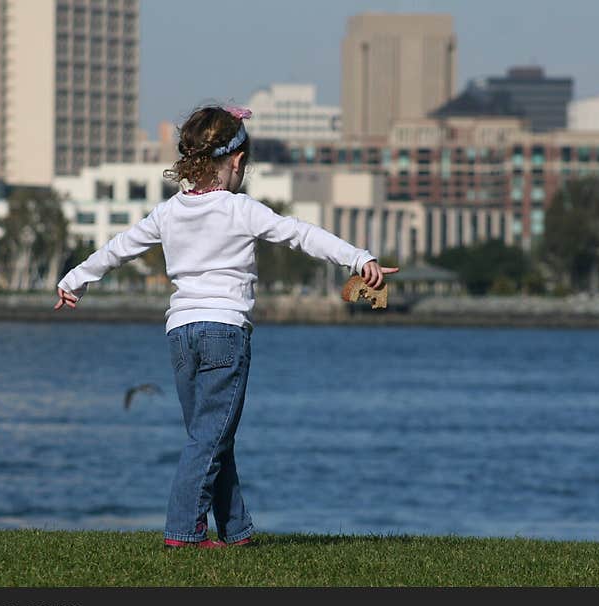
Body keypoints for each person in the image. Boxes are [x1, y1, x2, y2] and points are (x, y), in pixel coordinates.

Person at [54, 105, 398, 548]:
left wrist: (73, 281)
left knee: (213, 436)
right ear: (236, 163)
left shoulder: (168, 212)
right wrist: (359, 257)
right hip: (224, 332)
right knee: (209, 438)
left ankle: (236, 532)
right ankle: (183, 534)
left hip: (180, 335)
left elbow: (119, 248)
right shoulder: (240, 209)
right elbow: (302, 234)